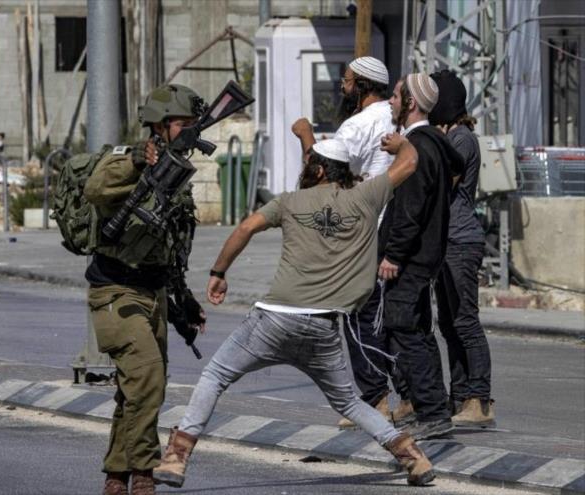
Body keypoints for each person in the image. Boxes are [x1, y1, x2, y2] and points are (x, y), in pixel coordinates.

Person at [153, 138, 437, 489]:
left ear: (316, 170)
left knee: (214, 377)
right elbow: (410, 162)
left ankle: (176, 458)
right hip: (324, 326)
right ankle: (413, 457)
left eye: (308, 164)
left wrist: (219, 273)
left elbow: (245, 228)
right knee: (348, 401)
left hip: (273, 321)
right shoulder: (367, 195)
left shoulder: (288, 202)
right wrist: (399, 143)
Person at [84, 84, 207, 495]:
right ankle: (143, 473)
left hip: (152, 295)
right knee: (149, 378)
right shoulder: (127, 159)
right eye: (181, 124)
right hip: (115, 292)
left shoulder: (177, 174)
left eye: (193, 125)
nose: (189, 132)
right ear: (158, 125)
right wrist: (137, 161)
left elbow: (171, 246)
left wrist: (183, 301)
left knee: (134, 391)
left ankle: (116, 476)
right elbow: (96, 188)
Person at [292, 56, 411, 428]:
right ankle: (409, 395)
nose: (342, 87)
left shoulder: (358, 125)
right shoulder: (395, 120)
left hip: (361, 233)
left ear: (361, 84)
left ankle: (375, 399)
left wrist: (305, 135)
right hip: (394, 231)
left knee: (358, 320)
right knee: (388, 319)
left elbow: (321, 171)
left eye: (346, 81)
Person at [379, 73, 464, 440]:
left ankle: (431, 410)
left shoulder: (418, 148)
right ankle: (431, 406)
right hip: (424, 255)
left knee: (404, 331)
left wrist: (394, 254)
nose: (391, 103)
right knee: (415, 330)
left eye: (396, 97)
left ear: (411, 103)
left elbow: (410, 208)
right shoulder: (430, 144)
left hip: (411, 257)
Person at [429, 70, 495, 427]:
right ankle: (461, 395)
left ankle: (480, 399)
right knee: (449, 322)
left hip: (461, 239)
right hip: (446, 240)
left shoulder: (462, 138)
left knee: (466, 321)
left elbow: (441, 180)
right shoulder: (450, 136)